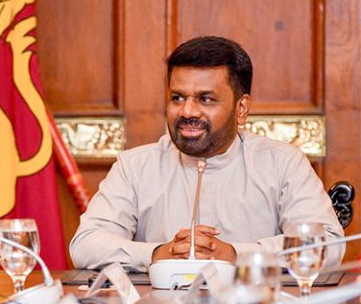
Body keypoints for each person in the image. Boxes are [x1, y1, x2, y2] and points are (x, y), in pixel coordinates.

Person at [70, 36, 344, 270]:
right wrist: (158, 254)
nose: (187, 112)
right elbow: (85, 245)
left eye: (206, 99)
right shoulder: (135, 165)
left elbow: (328, 245)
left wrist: (235, 255)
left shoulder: (282, 163)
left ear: (241, 108)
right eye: (178, 97)